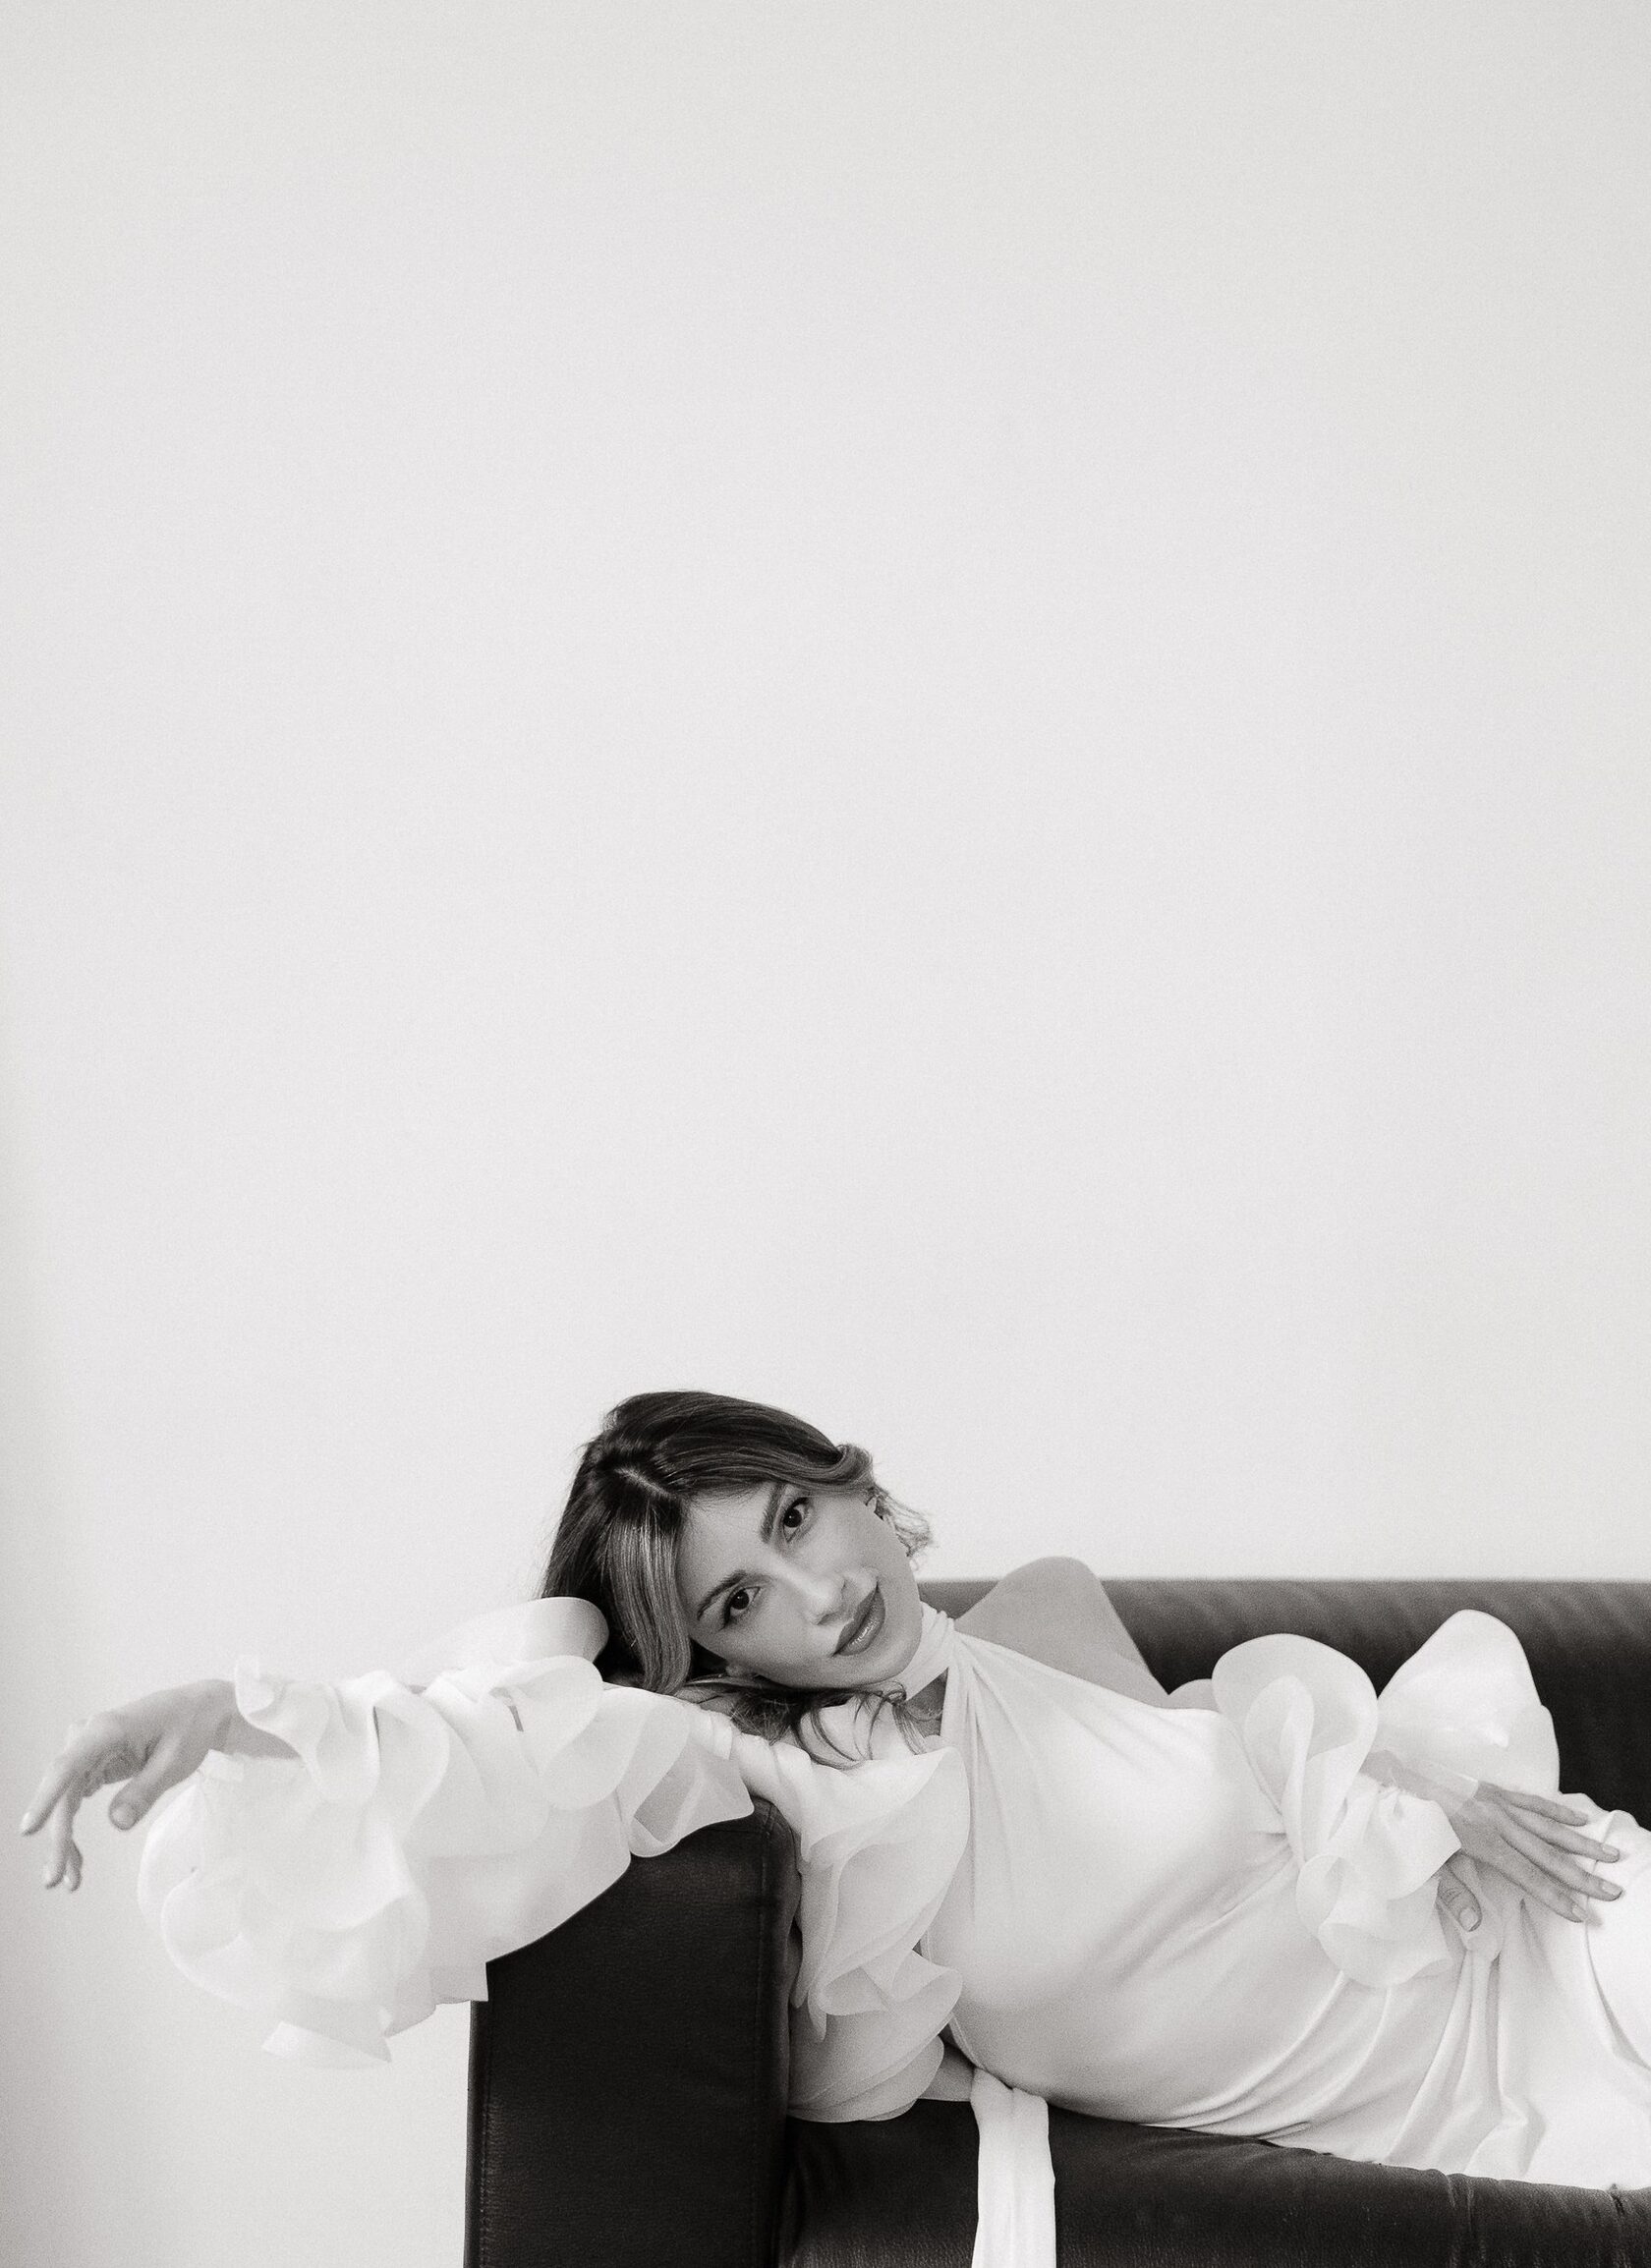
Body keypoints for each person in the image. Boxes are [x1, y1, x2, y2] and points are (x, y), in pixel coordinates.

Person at [19, 1390, 1651, 2265]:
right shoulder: (792, 1782)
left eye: (797, 1517)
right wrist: (237, 1713)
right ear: (717, 1656)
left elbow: (1246, 1770)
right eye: (742, 1598)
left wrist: (1407, 1781)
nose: (818, 1590)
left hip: (1554, 1940)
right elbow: (504, 1748)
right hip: (1423, 2118)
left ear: (851, 1483)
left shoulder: (1048, 1611)